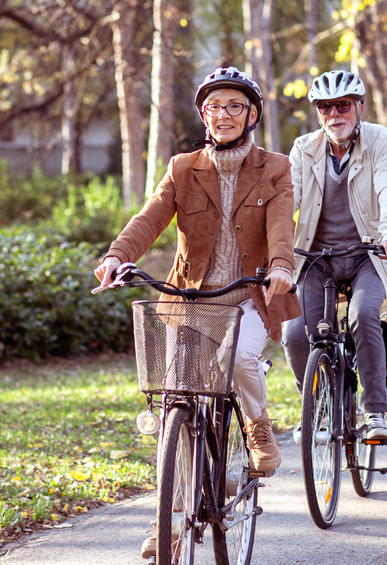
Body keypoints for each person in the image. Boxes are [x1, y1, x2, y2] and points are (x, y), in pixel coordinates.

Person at [94, 66, 301, 559]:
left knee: (244, 361)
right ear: (203, 115)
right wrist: (118, 255)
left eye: (234, 107)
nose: (223, 115)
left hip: (249, 296)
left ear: (251, 115)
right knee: (174, 406)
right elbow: (151, 216)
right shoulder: (184, 167)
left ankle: (256, 426)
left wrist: (280, 267)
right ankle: (166, 518)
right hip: (191, 303)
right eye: (214, 107)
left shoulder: (274, 167)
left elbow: (280, 226)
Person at [282, 69, 387, 442]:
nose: (334, 114)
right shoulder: (303, 148)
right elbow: (287, 199)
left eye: (343, 105)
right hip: (315, 258)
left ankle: (374, 412)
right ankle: (320, 405)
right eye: (326, 107)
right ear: (318, 112)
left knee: (364, 314)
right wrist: (273, 241)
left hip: (367, 255)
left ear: (358, 107)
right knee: (293, 332)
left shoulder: (378, 140)